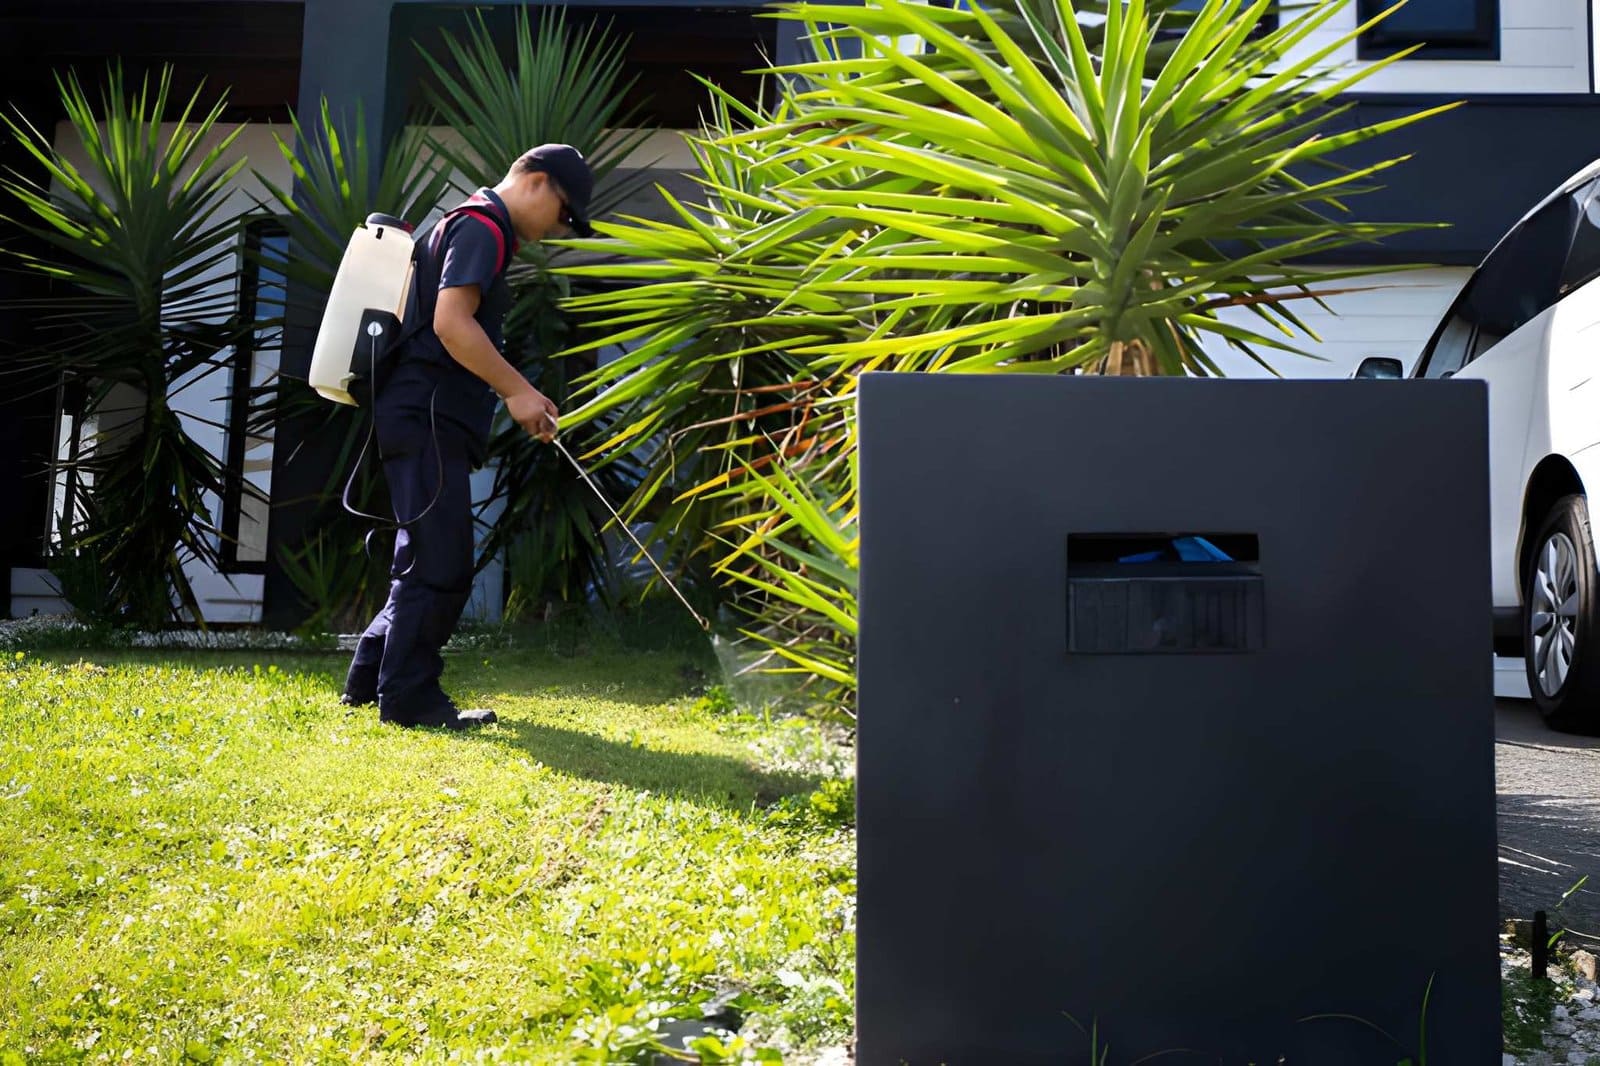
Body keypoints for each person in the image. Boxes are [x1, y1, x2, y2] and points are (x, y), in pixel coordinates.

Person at [341, 144, 595, 730]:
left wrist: (517, 392)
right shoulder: (483, 228)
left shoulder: (471, 223)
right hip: (425, 414)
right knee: (441, 559)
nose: (560, 228)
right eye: (564, 212)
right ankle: (410, 700)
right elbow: (451, 324)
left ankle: (369, 683)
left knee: (424, 553)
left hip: (417, 413)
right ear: (536, 182)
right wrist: (518, 392)